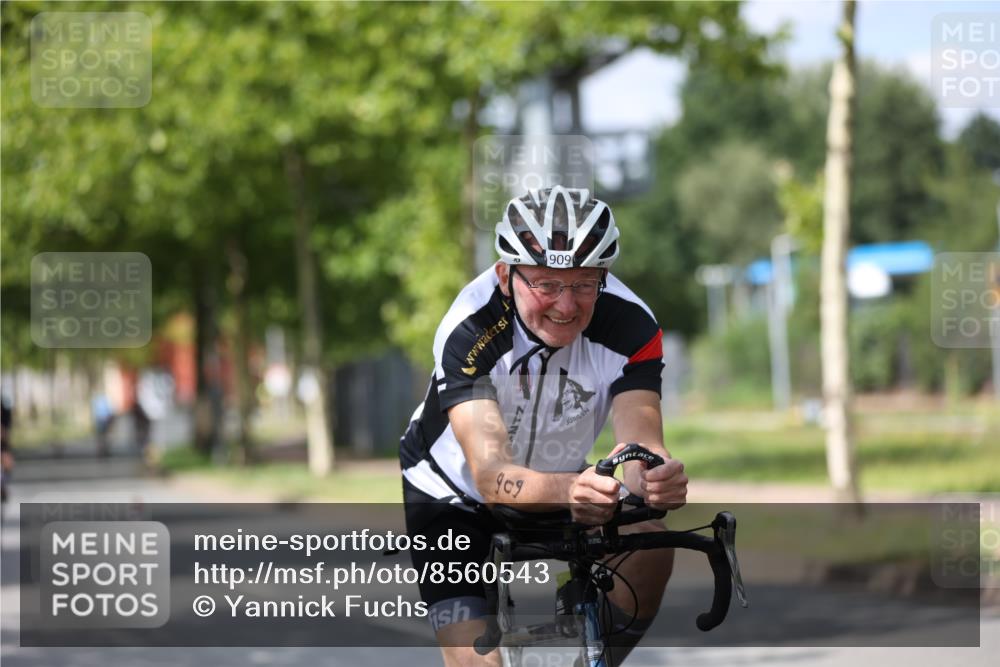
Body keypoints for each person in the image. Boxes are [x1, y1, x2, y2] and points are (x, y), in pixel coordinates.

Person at [399, 186, 688, 667]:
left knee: (651, 548)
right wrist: (574, 487)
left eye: (584, 284)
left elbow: (640, 443)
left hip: (560, 478)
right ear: (505, 276)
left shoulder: (632, 326)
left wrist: (656, 478)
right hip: (453, 491)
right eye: (546, 284)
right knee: (474, 659)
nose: (566, 306)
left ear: (604, 276)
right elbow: (492, 476)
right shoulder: (470, 327)